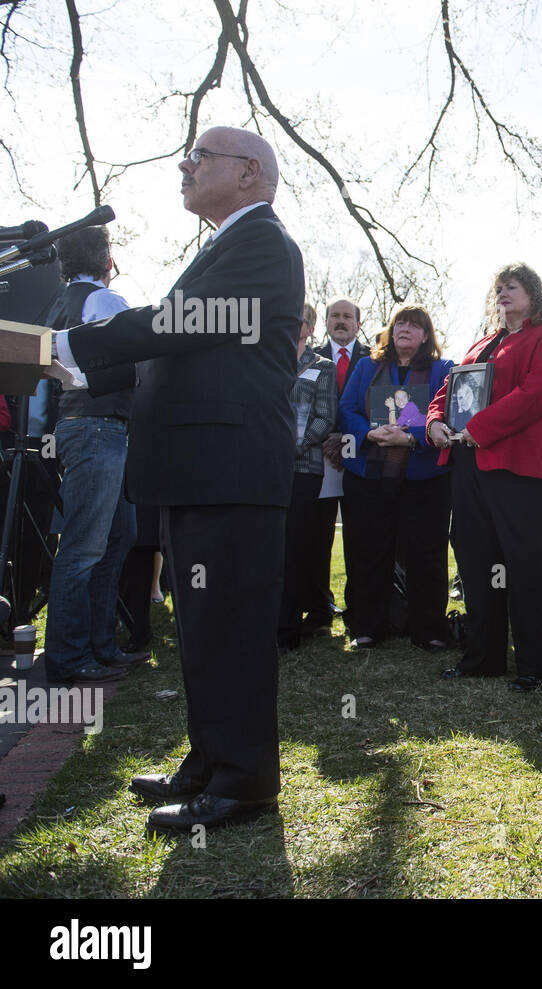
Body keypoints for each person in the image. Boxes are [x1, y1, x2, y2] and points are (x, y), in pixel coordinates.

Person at [51, 125, 304, 834]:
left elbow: (177, 323)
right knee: (199, 627)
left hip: (232, 469)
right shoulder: (229, 242)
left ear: (248, 172)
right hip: (201, 468)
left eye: (198, 157)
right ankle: (211, 761)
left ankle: (245, 783)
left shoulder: (263, 243)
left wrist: (70, 344)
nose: (184, 169)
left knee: (230, 627)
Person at [429, 264, 542, 691]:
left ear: (534, 294)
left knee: (525, 564)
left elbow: (537, 394)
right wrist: (435, 421)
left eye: (514, 286)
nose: (504, 292)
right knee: (476, 562)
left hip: (522, 466)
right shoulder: (481, 344)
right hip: (469, 464)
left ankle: (534, 664)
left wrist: (480, 427)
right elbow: (448, 390)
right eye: (500, 288)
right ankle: (484, 658)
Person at [42, 225, 141, 685]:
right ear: (107, 260)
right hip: (100, 426)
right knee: (84, 545)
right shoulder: (105, 302)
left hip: (80, 426)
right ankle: (68, 655)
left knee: (117, 535)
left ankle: (100, 645)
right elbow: (138, 358)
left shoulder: (60, 302)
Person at [338, 305, 453, 651]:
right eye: (400, 323)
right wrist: (370, 434)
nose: (406, 328)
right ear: (390, 330)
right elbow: (346, 410)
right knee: (369, 549)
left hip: (424, 477)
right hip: (369, 475)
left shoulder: (442, 369)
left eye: (415, 325)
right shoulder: (366, 366)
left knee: (426, 552)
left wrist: (412, 437)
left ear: (426, 335)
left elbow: (446, 410)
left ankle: (429, 629)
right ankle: (369, 626)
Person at [278, 302, 339, 652]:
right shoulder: (266, 362)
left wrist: (296, 445)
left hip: (303, 468)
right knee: (267, 549)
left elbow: (325, 416)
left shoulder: (322, 367)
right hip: (266, 469)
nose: (293, 325)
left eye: (300, 321)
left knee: (296, 547)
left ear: (310, 328)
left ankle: (288, 630)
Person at [307, 299, 363, 635]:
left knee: (359, 536)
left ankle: (360, 607)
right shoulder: (308, 359)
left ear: (358, 322)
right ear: (326, 322)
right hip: (319, 458)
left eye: (347, 316)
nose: (340, 321)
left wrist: (344, 436)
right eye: (334, 316)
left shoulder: (374, 358)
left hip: (360, 458)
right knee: (318, 536)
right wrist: (327, 437)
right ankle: (319, 606)